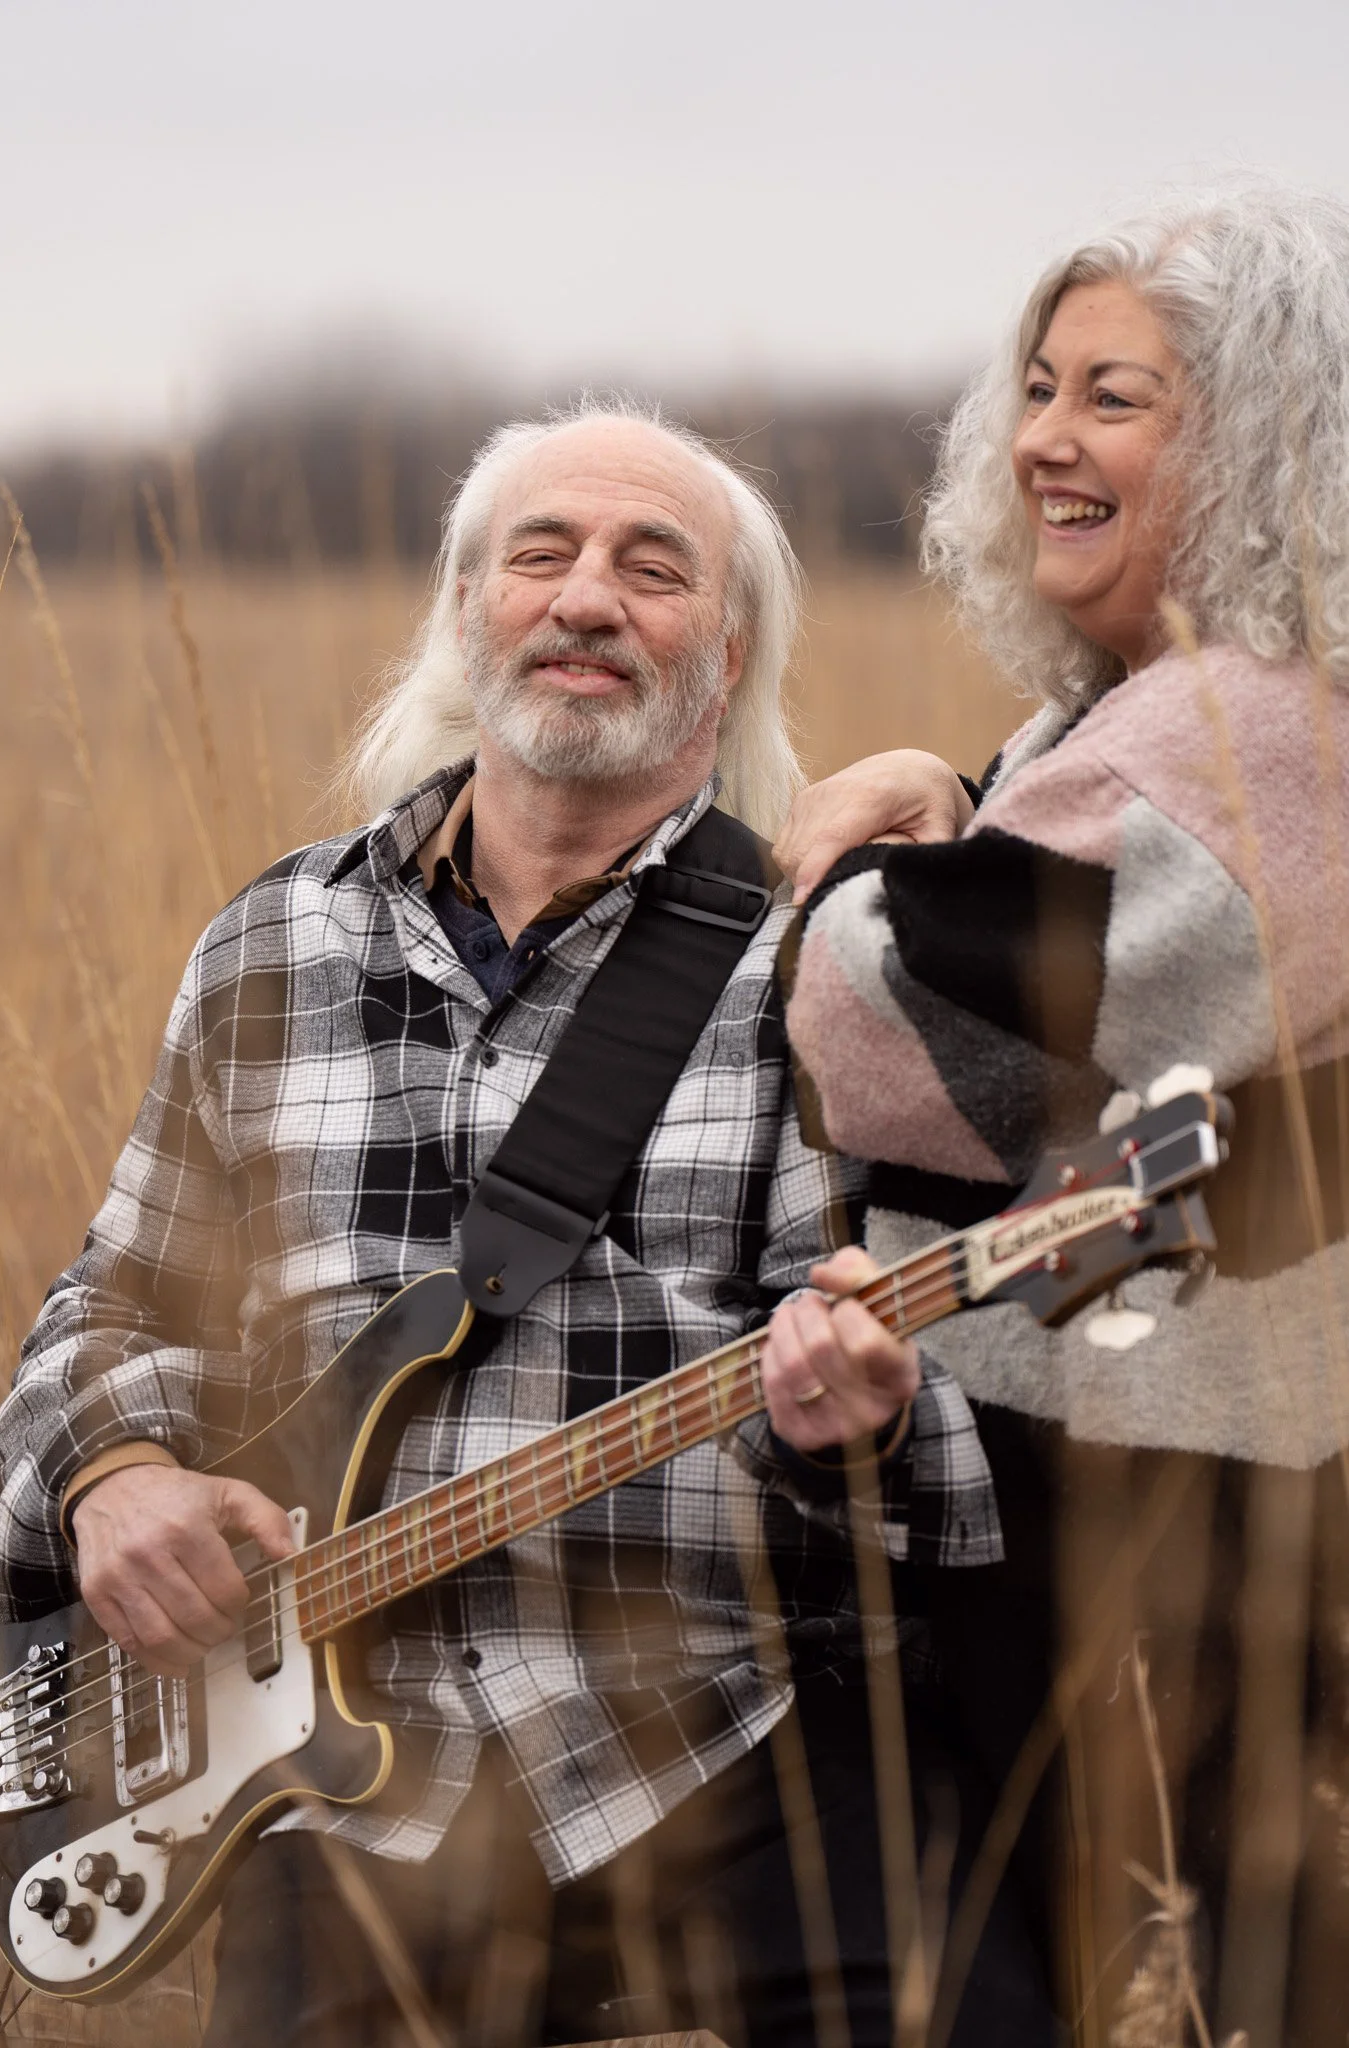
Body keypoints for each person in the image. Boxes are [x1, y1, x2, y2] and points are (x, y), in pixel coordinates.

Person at [0, 403, 1026, 2048]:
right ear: (468, 614)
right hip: (334, 1791)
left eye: (652, 567)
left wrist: (860, 1423)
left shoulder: (817, 952)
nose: (587, 597)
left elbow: (950, 1450)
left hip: (714, 1733)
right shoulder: (275, 943)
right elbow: (104, 1307)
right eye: (539, 554)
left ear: (728, 646)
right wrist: (114, 1480)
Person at [772, 188, 1349, 2043]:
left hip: (1203, 1517)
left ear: (1262, 438)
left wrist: (846, 879)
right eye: (1035, 387)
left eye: (1117, 397)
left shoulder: (1262, 729)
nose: (1043, 440)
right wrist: (955, 791)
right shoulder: (1150, 713)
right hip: (1129, 1475)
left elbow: (891, 1024)